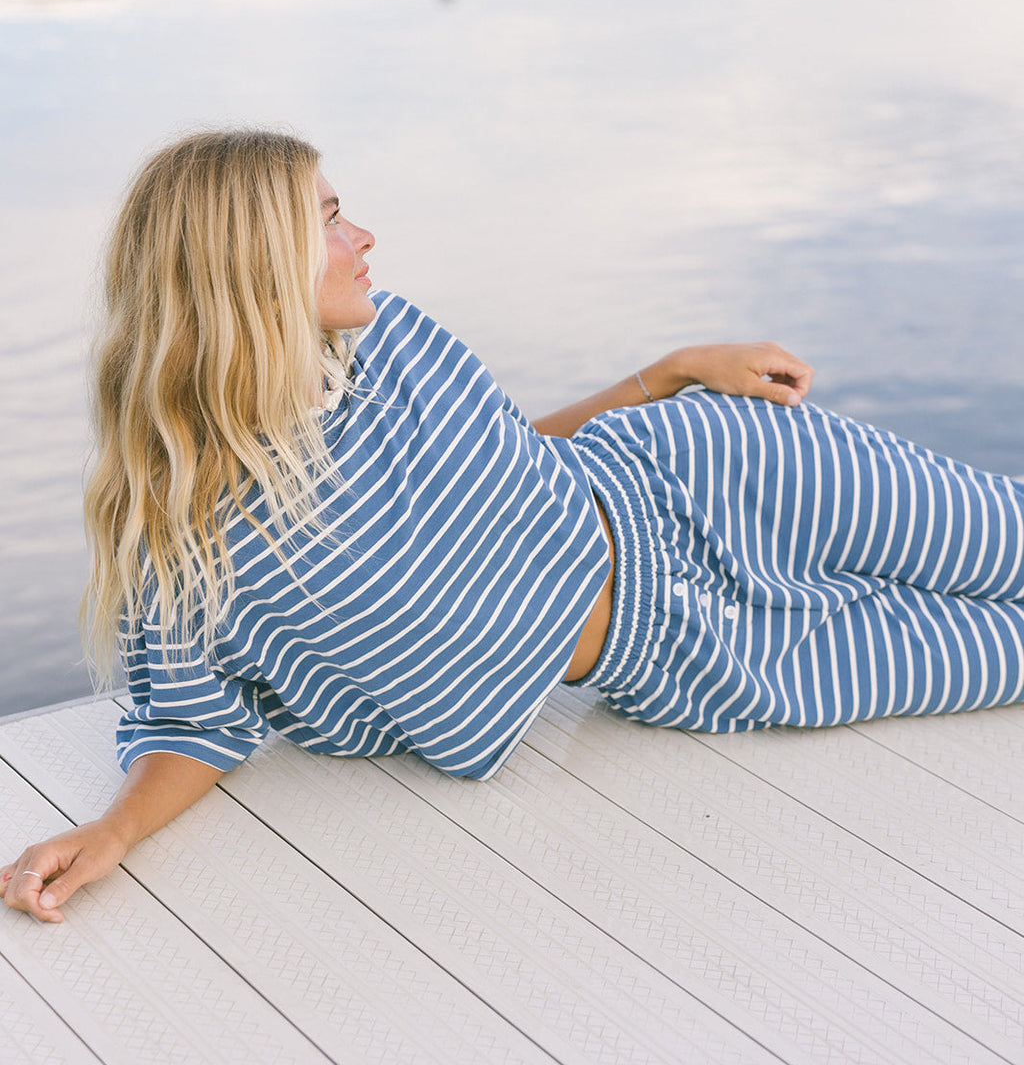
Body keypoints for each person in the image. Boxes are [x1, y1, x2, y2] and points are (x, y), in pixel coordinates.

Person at [5, 127, 1024, 926]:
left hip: (724, 474)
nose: (362, 239)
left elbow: (503, 460)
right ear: (249, 260)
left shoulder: (391, 341)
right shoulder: (185, 542)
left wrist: (662, 377)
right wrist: (113, 833)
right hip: (689, 662)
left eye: (345, 211)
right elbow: (194, 720)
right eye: (328, 219)